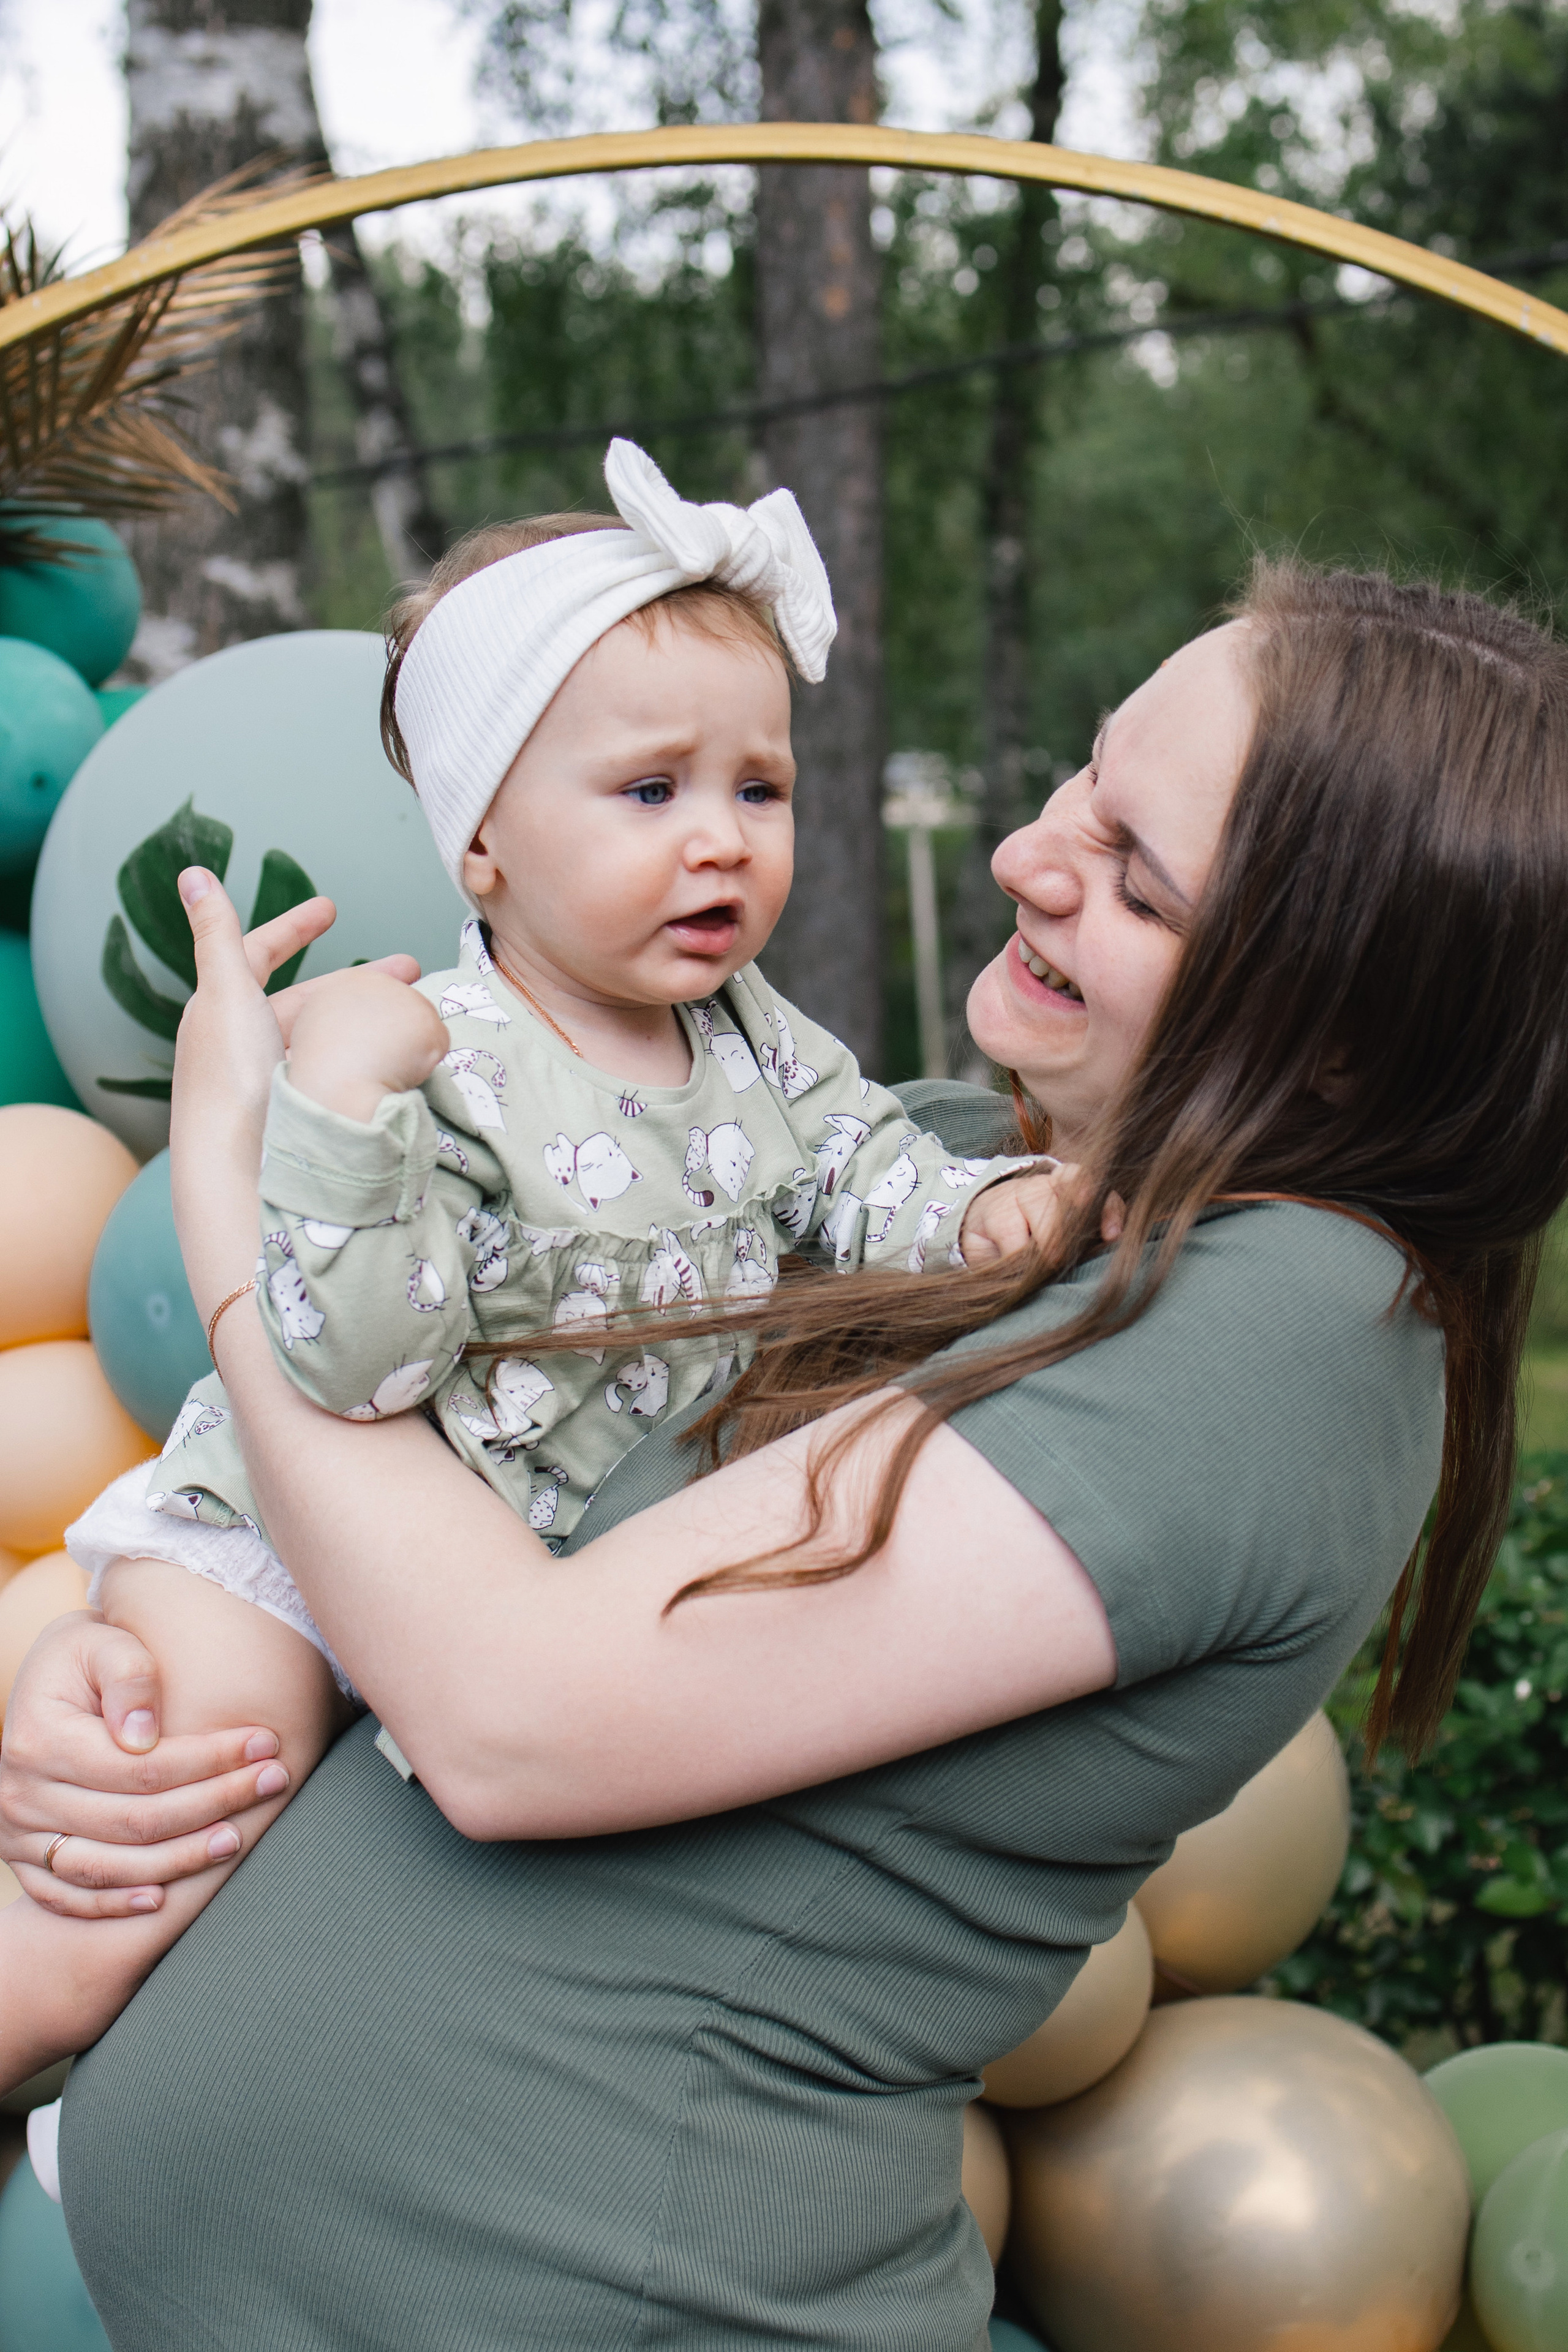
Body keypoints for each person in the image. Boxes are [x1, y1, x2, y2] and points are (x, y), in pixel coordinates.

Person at [4, 560, 1566, 2352]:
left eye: (1138, 878)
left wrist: (233, 1214)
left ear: (1351, 1033)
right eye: (1083, 779)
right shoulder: (927, 1159)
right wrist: (143, 1705)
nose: (1028, 862)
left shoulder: (1295, 1324)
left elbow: (515, 1717)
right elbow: (482, 1488)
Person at [0, 442, 1060, 2110]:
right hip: (285, 1544)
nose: (720, 842)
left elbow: (874, 1180)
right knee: (112, 1910)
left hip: (502, 1596)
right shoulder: (427, 1053)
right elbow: (355, 1368)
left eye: (758, 790)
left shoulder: (763, 1047)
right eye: (651, 794)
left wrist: (987, 1215)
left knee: (346, 1982)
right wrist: (339, 1111)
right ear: (481, 844)